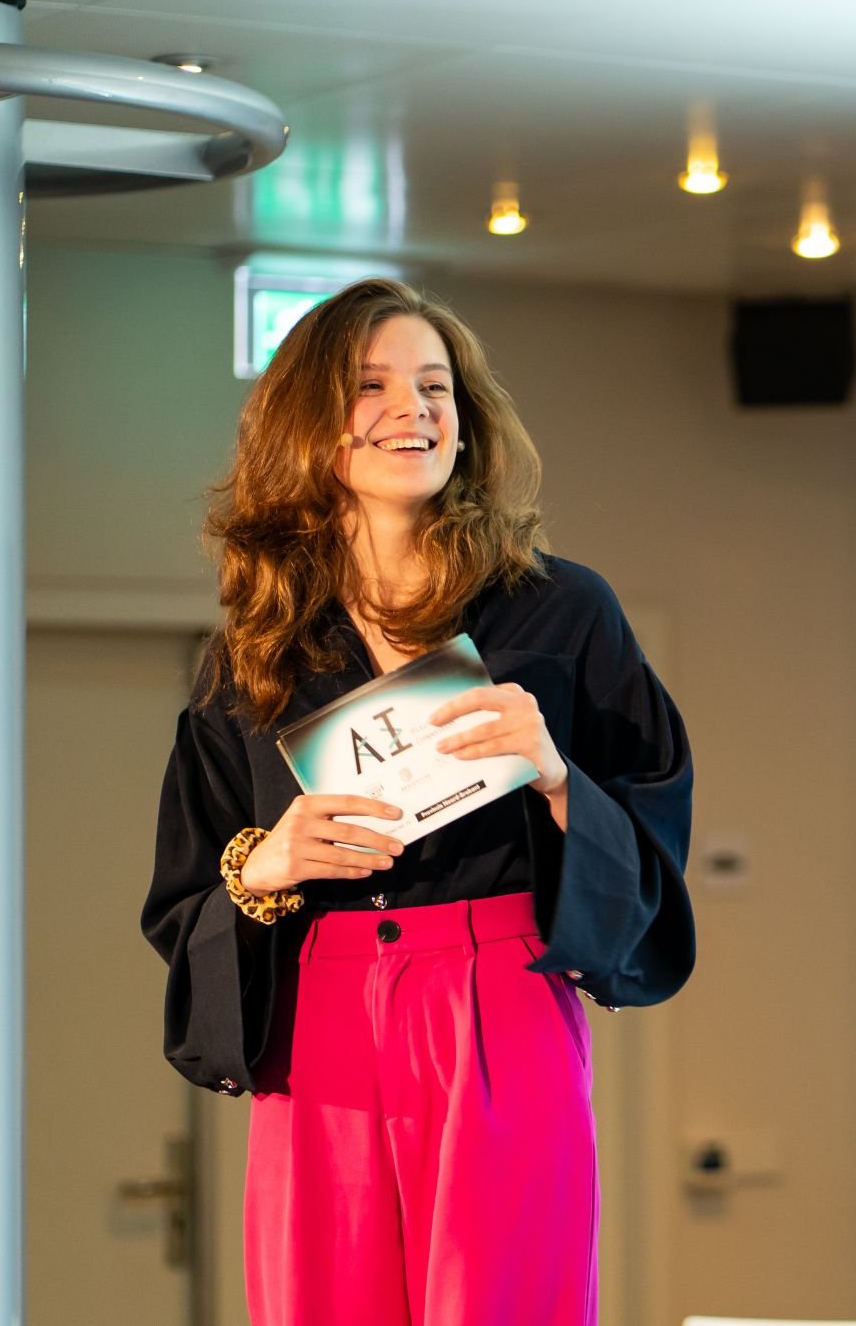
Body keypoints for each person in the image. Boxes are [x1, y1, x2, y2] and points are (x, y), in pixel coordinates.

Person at [142, 278, 694, 1326]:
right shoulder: (254, 647)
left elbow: (652, 831)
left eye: (435, 386)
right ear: (311, 427)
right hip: (322, 1011)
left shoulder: (559, 611)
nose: (417, 409)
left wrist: (555, 775)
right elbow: (189, 896)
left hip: (497, 997)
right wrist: (262, 866)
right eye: (373, 385)